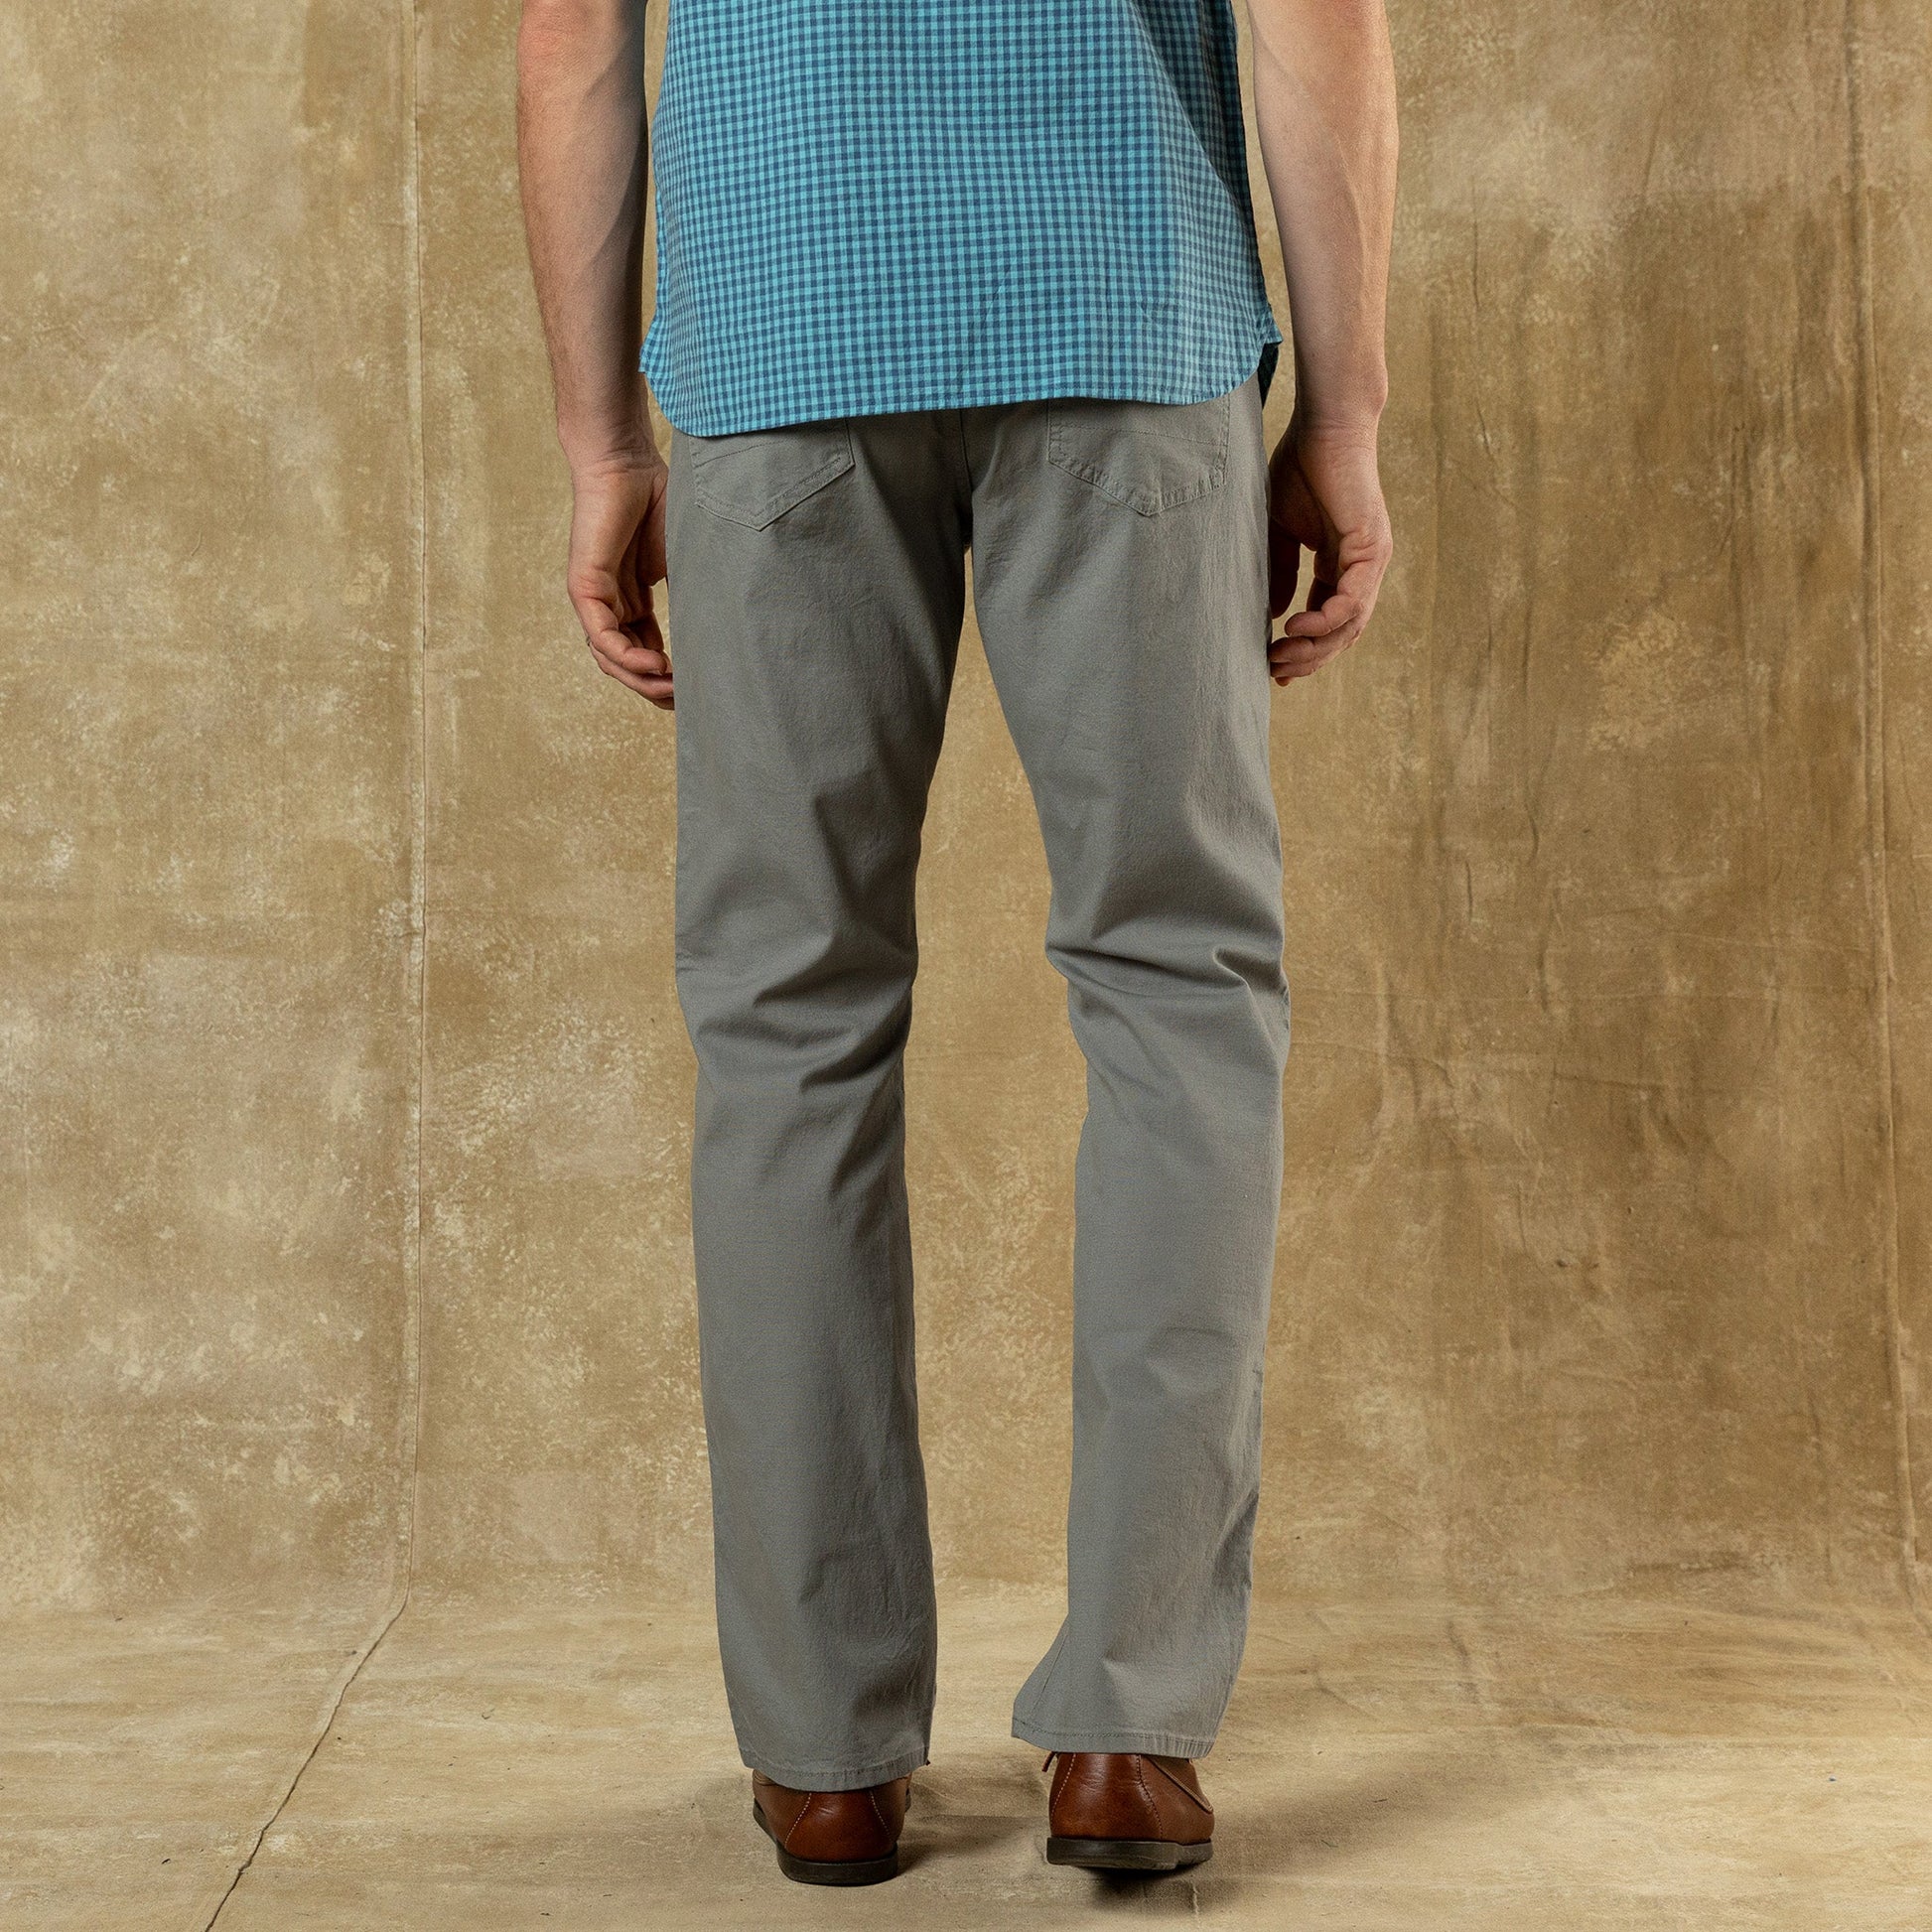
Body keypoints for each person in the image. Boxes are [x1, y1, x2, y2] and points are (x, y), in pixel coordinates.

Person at [516, 0, 1396, 1886]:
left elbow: (571, 35)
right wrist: (1343, 411)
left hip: (780, 327)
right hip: (1126, 313)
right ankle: (1129, 1730)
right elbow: (1313, 16)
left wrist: (599, 442)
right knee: (1177, 995)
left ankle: (823, 1751)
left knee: (786, 1019)